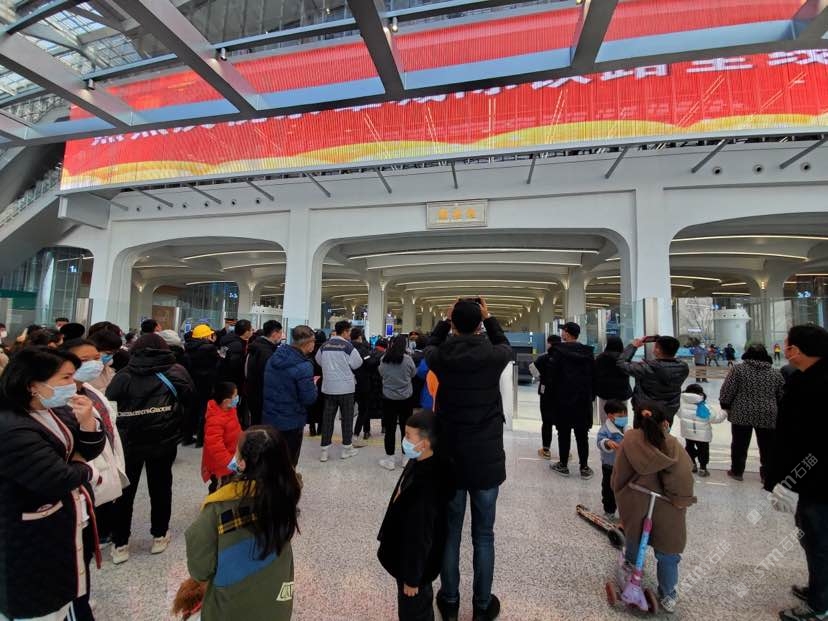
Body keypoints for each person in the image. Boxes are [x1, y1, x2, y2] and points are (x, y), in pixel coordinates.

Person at [0, 347, 105, 621]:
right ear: (33, 385)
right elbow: (57, 477)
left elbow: (87, 450)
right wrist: (85, 468)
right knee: (42, 603)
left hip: (67, 518)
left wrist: (87, 423)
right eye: (66, 378)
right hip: (30, 530)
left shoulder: (56, 409)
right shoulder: (12, 427)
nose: (73, 383)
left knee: (71, 581)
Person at [425, 297, 512, 621]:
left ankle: (449, 601)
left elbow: (429, 346)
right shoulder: (493, 356)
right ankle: (482, 604)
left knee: (450, 533)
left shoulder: (442, 357)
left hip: (450, 459)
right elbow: (504, 344)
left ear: (453, 323)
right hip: (486, 459)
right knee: (484, 535)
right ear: (479, 324)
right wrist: (488, 318)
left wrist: (444, 322)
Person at [185, 426, 301, 621]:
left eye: (237, 453)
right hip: (278, 608)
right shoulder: (285, 498)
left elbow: (200, 569)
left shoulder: (218, 509)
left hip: (230, 612)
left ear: (242, 464)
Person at [105, 333, 195, 564]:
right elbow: (189, 401)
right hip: (163, 439)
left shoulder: (123, 375)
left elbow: (110, 405)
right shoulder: (176, 372)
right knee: (161, 486)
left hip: (128, 441)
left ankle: (120, 543)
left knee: (125, 491)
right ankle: (159, 535)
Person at [765, 325, 828, 621]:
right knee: (811, 537)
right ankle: (819, 589)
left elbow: (807, 441)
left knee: (818, 540)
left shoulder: (816, 386)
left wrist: (791, 478)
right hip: (809, 478)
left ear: (795, 350)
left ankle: (819, 606)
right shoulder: (804, 379)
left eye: (787, 344)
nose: (784, 347)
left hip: (817, 481)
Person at [612, 401, 696, 614]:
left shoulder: (629, 440)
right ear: (665, 423)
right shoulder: (673, 445)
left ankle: (629, 571)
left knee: (635, 538)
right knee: (668, 553)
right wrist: (679, 499)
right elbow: (683, 477)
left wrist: (622, 494)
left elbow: (618, 474)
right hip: (667, 506)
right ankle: (668, 594)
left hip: (637, 500)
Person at [377, 411, 449, 621]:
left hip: (414, 570)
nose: (405, 440)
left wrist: (412, 579)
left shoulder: (425, 489)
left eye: (409, 436)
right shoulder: (420, 461)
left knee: (414, 612)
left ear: (424, 444)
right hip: (409, 561)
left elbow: (420, 538)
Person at [60, 339, 128, 547]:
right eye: (84, 360)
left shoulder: (90, 390)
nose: (94, 364)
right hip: (80, 473)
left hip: (103, 457)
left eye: (97, 358)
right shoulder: (59, 399)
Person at [718, 344, 784, 482]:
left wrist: (725, 404)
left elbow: (728, 390)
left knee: (739, 444)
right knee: (767, 446)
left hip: (741, 411)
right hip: (768, 412)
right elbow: (781, 395)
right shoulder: (775, 373)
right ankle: (767, 474)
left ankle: (737, 471)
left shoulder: (738, 370)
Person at [541, 322, 596, 480]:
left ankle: (563, 465)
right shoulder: (588, 352)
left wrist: (549, 398)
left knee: (563, 433)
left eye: (563, 331)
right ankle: (584, 467)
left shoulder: (558, 351)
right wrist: (590, 397)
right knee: (582, 434)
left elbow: (551, 378)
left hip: (562, 400)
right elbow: (593, 376)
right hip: (583, 400)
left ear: (566, 333)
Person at [262, 325, 318, 466]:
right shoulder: (304, 366)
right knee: (289, 460)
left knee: (273, 459)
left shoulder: (274, 357)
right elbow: (309, 398)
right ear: (308, 343)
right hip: (291, 420)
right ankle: (288, 480)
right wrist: (313, 386)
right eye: (314, 341)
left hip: (270, 416)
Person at [316, 320, 363, 462]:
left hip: (329, 388)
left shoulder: (324, 346)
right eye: (349, 331)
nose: (349, 334)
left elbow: (319, 360)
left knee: (328, 419)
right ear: (345, 331)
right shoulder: (348, 346)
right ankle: (346, 449)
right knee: (347, 419)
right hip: (346, 389)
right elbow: (358, 363)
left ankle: (324, 451)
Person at [617, 336, 689, 425]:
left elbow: (621, 364)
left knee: (642, 433)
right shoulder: (683, 367)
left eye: (655, 346)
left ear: (657, 350)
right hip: (668, 411)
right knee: (663, 432)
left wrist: (633, 346)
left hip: (646, 412)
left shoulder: (648, 368)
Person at [378, 335, 418, 471]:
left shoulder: (384, 359)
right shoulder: (408, 359)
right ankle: (406, 457)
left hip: (388, 398)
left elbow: (381, 373)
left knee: (390, 429)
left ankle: (390, 459)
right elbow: (413, 374)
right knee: (405, 428)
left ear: (391, 344)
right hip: (406, 398)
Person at [183, 324, 220, 447]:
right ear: (205, 336)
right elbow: (217, 363)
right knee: (204, 410)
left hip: (191, 381)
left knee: (191, 409)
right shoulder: (209, 348)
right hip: (206, 382)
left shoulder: (188, 347)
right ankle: (201, 438)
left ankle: (187, 437)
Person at [201, 382, 242, 493]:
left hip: (232, 458)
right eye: (235, 396)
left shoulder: (231, 409)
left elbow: (236, 430)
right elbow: (215, 447)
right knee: (219, 490)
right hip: (220, 466)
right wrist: (230, 463)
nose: (237, 398)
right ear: (226, 401)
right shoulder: (215, 420)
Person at [678, 383, 726, 477]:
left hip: (688, 433)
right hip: (702, 436)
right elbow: (715, 419)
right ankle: (703, 468)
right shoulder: (704, 406)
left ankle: (692, 465)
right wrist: (724, 412)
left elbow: (679, 414)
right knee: (703, 450)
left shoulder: (681, 404)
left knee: (689, 447)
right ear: (700, 393)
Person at [528, 334, 561, 460]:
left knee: (547, 421)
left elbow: (532, 367)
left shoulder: (544, 357)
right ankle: (565, 450)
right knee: (563, 423)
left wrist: (539, 377)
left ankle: (546, 450)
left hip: (546, 393)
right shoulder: (564, 357)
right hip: (562, 394)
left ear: (549, 343)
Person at [245, 320, 283, 427]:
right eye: (280, 333)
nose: (281, 336)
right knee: (261, 426)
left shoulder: (256, 346)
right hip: (262, 396)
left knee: (256, 423)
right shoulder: (266, 352)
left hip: (253, 392)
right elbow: (269, 377)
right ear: (274, 333)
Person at [596, 400, 628, 520]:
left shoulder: (627, 429)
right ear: (610, 416)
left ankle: (625, 512)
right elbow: (600, 442)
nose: (623, 418)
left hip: (625, 466)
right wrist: (607, 443)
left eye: (625, 415)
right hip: (609, 465)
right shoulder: (605, 429)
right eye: (620, 416)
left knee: (625, 489)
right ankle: (609, 510)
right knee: (608, 489)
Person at [220, 318, 253, 427]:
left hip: (224, 379)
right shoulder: (237, 346)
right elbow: (235, 367)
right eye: (251, 330)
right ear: (246, 332)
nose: (252, 332)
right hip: (232, 382)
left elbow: (222, 358)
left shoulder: (227, 340)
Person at [594, 335, 633, 424]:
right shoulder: (624, 358)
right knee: (621, 420)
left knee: (606, 420)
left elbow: (595, 374)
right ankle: (620, 432)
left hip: (605, 393)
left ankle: (606, 432)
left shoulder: (600, 358)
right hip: (622, 393)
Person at [352, 327, 379, 440]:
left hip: (349, 383)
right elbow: (370, 363)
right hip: (363, 383)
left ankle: (348, 433)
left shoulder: (347, 348)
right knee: (363, 409)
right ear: (360, 337)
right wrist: (377, 359)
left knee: (348, 410)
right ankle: (358, 433)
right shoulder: (362, 349)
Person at [88, 327, 124, 392]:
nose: (110, 357)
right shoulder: (85, 370)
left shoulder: (107, 369)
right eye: (108, 353)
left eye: (114, 354)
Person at [307, 330, 328, 437]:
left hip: (311, 379)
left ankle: (312, 427)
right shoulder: (325, 350)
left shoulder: (309, 350)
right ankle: (320, 427)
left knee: (311, 404)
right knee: (323, 404)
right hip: (323, 380)